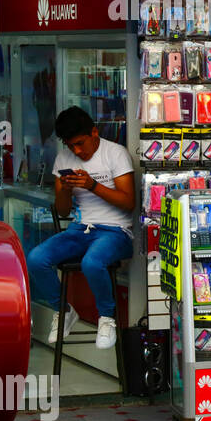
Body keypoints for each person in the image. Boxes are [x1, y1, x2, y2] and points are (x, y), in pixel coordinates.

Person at [27, 107, 135, 351]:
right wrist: (65, 189)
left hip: (116, 231)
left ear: (94, 133)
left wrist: (92, 185)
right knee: (35, 259)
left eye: (80, 143)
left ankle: (107, 318)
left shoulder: (115, 153)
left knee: (91, 262)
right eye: (70, 145)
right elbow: (63, 211)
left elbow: (129, 203)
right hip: (80, 230)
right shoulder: (64, 158)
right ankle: (63, 310)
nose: (76, 151)